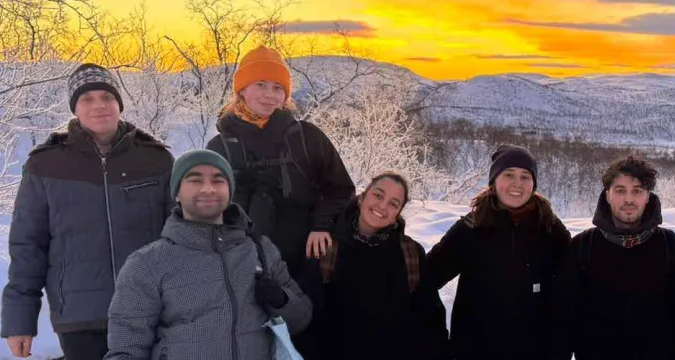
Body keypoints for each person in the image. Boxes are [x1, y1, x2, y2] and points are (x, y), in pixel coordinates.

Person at [2, 63, 173, 360]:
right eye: (87, 98)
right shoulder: (46, 165)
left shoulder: (155, 159)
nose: (99, 105)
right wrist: (20, 321)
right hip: (79, 319)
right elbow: (27, 246)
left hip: (150, 311)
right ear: (75, 108)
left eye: (107, 97)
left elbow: (181, 235)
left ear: (119, 104)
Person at [205, 45, 354, 356]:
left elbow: (340, 189)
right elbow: (204, 210)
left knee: (308, 342)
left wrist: (322, 225)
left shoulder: (308, 137)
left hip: (305, 265)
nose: (269, 95)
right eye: (261, 84)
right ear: (242, 90)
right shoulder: (220, 147)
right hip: (245, 268)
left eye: (277, 88)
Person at [105, 149, 312, 360]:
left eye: (218, 180)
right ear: (176, 193)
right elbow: (126, 351)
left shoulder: (259, 250)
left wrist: (281, 301)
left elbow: (301, 318)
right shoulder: (147, 263)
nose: (208, 189)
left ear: (230, 190)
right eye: (195, 180)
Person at [427, 145, 571, 359]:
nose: (517, 183)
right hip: (475, 351)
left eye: (525, 176)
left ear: (533, 184)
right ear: (494, 182)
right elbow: (425, 279)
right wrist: (436, 341)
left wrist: (560, 348)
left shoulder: (551, 229)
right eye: (508, 174)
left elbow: (570, 293)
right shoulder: (471, 228)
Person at [551, 156, 675, 360]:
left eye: (637, 191)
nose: (628, 199)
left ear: (647, 196)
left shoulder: (672, 247)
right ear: (607, 195)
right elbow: (562, 322)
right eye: (620, 190)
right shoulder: (581, 247)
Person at [315, 173, 448, 359]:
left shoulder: (410, 253)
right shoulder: (327, 245)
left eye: (393, 204)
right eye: (378, 195)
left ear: (396, 215)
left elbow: (430, 317)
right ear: (361, 198)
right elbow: (309, 316)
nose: (383, 206)